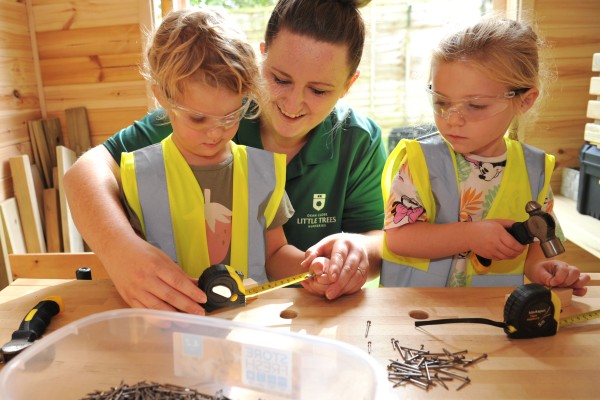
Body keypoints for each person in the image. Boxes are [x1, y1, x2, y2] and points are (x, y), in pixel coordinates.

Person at [64, 0, 386, 314]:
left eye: (318, 90)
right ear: (262, 59)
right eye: (280, 79)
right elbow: (85, 172)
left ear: (348, 84)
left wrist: (356, 253)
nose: (292, 103)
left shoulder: (359, 140)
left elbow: (377, 239)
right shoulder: (210, 102)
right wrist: (120, 250)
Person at [381, 15, 589, 295]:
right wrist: (469, 235)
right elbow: (398, 238)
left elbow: (537, 243)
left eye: (475, 106)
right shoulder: (419, 161)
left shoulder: (535, 170)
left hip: (488, 317)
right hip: (415, 314)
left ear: (524, 100)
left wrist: (541, 269)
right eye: (441, 102)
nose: (452, 119)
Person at [121, 7, 310, 299]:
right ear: (162, 97)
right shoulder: (139, 175)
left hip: (249, 327)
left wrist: (311, 267)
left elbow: (275, 252)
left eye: (230, 117)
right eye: (198, 118)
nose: (215, 133)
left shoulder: (262, 173)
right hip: (171, 330)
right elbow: (129, 265)